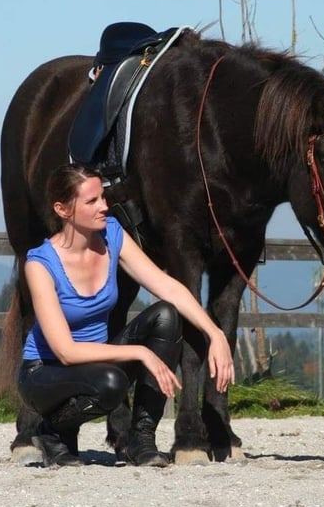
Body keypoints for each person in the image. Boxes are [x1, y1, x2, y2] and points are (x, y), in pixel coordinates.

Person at [17, 163, 235, 468]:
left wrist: (215, 333)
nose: (104, 207)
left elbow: (168, 287)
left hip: (97, 362)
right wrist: (140, 352)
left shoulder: (113, 236)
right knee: (111, 382)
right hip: (44, 373)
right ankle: (51, 430)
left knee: (166, 316)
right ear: (63, 209)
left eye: (103, 198)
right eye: (92, 201)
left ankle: (140, 440)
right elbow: (65, 352)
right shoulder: (40, 264)